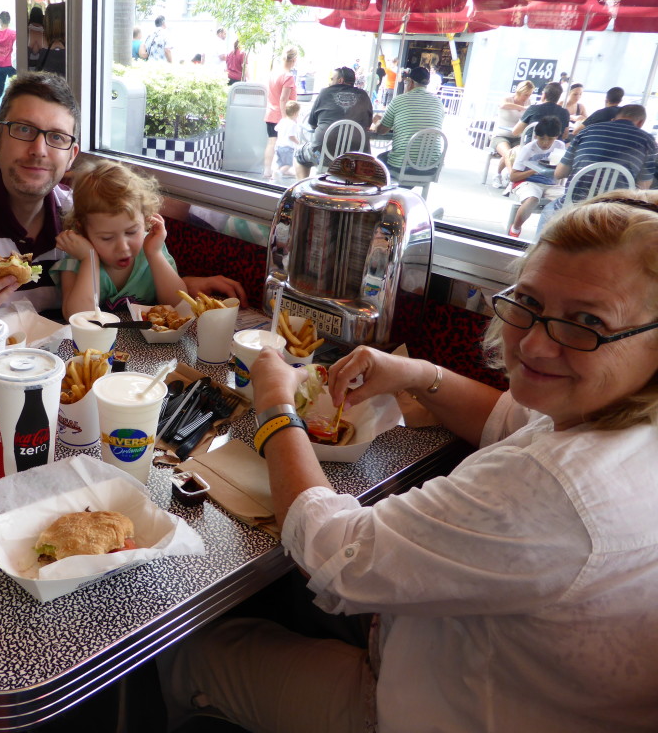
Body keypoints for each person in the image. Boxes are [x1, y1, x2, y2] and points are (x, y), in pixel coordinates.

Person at [166, 189, 658, 732]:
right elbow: (507, 416)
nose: (536, 346)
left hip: (436, 708)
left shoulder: (554, 492)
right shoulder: (618, 415)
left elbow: (330, 553)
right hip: (469, 649)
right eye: (531, 305)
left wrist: (276, 408)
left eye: (586, 322)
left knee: (186, 648)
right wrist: (420, 375)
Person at [0, 71, 246, 315]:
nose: (39, 149)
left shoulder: (82, 215)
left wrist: (184, 282)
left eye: (56, 137)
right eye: (24, 130)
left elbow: (119, 275)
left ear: (71, 154)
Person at [53, 160, 185, 317]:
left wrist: (154, 254)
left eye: (131, 232)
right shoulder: (76, 260)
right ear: (84, 231)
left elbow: (180, 305)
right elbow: (76, 317)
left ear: (146, 221)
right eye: (107, 238)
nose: (123, 247)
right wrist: (90, 259)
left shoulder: (152, 248)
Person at [538, 104, 656, 229]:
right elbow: (643, 188)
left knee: (548, 210)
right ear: (641, 123)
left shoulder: (587, 131)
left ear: (615, 118)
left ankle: (537, 246)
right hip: (613, 213)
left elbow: (559, 173)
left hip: (574, 207)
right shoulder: (648, 141)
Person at [294, 66, 372, 179]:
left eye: (332, 79)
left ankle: (302, 190)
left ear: (340, 80)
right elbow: (367, 125)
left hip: (322, 157)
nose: (330, 82)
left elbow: (313, 124)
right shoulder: (364, 96)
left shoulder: (325, 93)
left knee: (299, 154)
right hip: (355, 160)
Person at [371, 66, 444, 179]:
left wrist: (377, 122)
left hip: (403, 166)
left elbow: (382, 131)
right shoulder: (439, 103)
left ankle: (388, 194)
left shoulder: (399, 100)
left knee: (380, 160)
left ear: (410, 82)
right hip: (431, 166)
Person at [506, 115, 565, 238]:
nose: (545, 142)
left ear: (556, 137)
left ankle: (553, 235)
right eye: (542, 138)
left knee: (565, 202)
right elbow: (513, 176)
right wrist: (534, 170)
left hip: (550, 183)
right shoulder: (528, 149)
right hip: (527, 182)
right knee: (532, 198)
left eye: (550, 139)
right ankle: (516, 228)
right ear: (536, 136)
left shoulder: (559, 146)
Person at [490, 80, 534, 188]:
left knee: (520, 153)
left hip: (518, 137)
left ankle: (509, 176)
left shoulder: (528, 102)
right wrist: (523, 108)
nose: (527, 97)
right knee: (509, 153)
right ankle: (505, 175)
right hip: (501, 135)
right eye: (526, 95)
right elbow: (503, 105)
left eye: (529, 95)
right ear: (519, 92)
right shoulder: (507, 99)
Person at [263, 47, 298, 179]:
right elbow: (283, 99)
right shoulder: (288, 76)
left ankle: (267, 171)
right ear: (294, 60)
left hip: (270, 113)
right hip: (283, 115)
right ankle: (282, 169)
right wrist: (285, 119)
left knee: (272, 142)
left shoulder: (274, 73)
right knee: (287, 144)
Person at [274, 100, 302, 178]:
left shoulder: (283, 120)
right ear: (295, 114)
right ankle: (279, 172)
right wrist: (298, 142)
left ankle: (282, 171)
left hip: (279, 146)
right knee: (288, 164)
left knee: (281, 162)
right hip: (287, 147)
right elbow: (291, 136)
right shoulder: (292, 124)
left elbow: (276, 129)